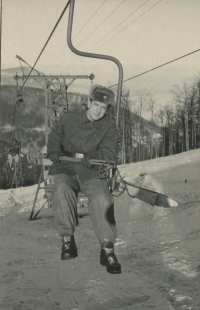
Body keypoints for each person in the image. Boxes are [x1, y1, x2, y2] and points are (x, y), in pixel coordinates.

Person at [47, 84, 121, 274]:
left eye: (104, 108)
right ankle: (67, 240)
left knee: (102, 199)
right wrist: (54, 149)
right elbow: (56, 133)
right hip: (66, 168)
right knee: (61, 189)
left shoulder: (108, 126)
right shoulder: (70, 118)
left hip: (92, 171)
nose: (99, 111)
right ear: (88, 102)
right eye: (96, 105)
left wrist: (94, 157)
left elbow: (109, 152)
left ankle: (107, 248)